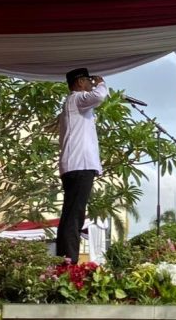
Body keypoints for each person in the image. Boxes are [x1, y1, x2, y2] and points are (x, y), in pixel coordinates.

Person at [55, 68, 108, 263]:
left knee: (72, 214)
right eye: (88, 80)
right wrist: (101, 83)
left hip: (76, 164)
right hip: (79, 165)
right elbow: (100, 96)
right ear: (79, 82)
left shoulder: (74, 103)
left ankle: (65, 258)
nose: (90, 84)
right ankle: (69, 260)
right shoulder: (77, 98)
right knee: (74, 216)